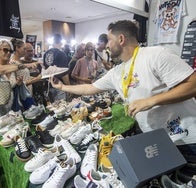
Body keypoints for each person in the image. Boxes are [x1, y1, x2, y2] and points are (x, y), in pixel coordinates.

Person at [50, 20, 196, 181]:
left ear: (121, 39)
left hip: (187, 141)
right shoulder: (117, 71)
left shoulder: (156, 55)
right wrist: (62, 88)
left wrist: (151, 101)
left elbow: (193, 84)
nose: (106, 45)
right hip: (158, 142)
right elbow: (89, 88)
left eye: (109, 40)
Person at [0, 39, 25, 116]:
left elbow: (11, 85)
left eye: (10, 51)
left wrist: (18, 83)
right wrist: (23, 66)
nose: (8, 53)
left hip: (12, 106)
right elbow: (1, 70)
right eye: (5, 50)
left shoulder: (12, 67)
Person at [9, 39, 37, 111]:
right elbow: (17, 83)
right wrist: (37, 79)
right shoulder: (12, 63)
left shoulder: (19, 62)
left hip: (27, 93)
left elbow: (25, 77)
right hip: (21, 97)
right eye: (24, 49)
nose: (25, 51)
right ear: (17, 48)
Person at [43, 33, 70, 102]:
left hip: (48, 86)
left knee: (52, 109)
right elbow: (64, 75)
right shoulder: (61, 54)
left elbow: (44, 69)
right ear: (61, 42)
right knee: (61, 110)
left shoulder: (46, 53)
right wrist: (69, 87)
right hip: (59, 86)